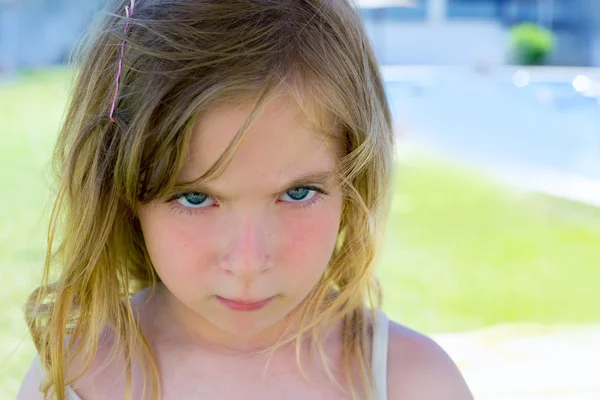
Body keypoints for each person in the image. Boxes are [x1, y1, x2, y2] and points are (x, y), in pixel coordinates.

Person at [17, 0, 472, 399]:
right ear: (119, 191)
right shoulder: (74, 379)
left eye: (298, 193)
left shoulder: (414, 383)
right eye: (195, 197)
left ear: (354, 183)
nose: (249, 262)